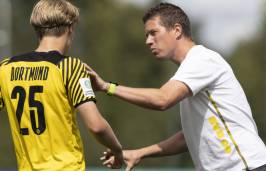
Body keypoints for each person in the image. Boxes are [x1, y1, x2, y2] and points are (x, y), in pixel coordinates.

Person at [85, 2, 266, 171]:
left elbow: (162, 99)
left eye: (153, 32)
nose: (148, 41)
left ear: (177, 30)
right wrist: (139, 153)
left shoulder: (202, 60)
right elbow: (189, 137)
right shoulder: (189, 74)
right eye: (146, 35)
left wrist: (106, 86)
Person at [0, 0, 123, 170]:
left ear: (37, 30)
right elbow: (96, 125)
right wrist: (117, 150)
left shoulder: (5, 68)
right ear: (70, 28)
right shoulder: (70, 67)